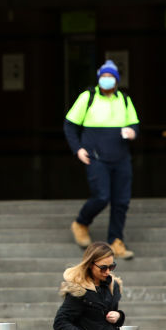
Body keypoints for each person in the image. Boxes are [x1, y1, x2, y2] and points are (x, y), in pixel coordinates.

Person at [64, 59, 140, 260]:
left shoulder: (124, 99)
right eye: (103, 77)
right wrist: (78, 149)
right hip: (96, 158)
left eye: (110, 77)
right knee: (101, 196)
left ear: (116, 80)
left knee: (121, 201)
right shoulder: (87, 97)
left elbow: (135, 125)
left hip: (121, 158)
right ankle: (81, 223)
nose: (107, 80)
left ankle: (116, 241)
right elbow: (69, 125)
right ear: (99, 79)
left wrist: (132, 133)